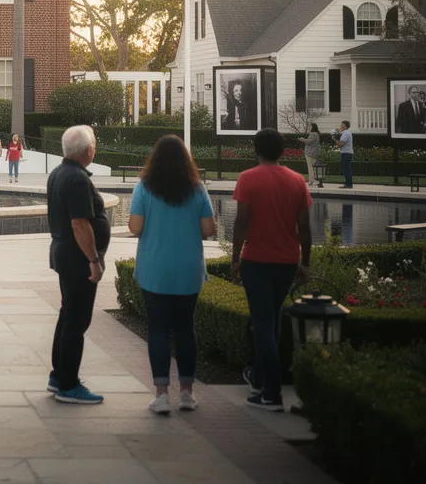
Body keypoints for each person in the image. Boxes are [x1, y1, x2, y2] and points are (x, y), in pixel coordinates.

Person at [128, 136, 217, 414]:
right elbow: (209, 230)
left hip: (154, 268)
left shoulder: (144, 188)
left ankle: (162, 394)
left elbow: (134, 227)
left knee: (157, 329)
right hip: (188, 270)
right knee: (185, 328)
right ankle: (188, 393)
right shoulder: (197, 188)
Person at [231, 128, 312, 412]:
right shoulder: (297, 181)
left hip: (257, 261)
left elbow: (241, 223)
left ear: (256, 149)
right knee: (273, 320)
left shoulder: (248, 178)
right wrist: (306, 263)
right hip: (287, 261)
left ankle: (272, 392)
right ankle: (262, 379)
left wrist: (235, 259)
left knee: (263, 324)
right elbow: (305, 228)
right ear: (282, 151)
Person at [46, 125, 109, 405]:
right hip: (76, 259)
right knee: (76, 320)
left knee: (68, 314)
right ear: (89, 150)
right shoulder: (77, 180)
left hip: (64, 255)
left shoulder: (59, 173)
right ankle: (68, 384)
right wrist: (94, 260)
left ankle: (59, 375)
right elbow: (80, 224)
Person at [335, 120, 354, 188]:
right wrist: (337, 136)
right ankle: (347, 183)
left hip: (346, 153)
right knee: (346, 169)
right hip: (346, 153)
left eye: (341, 125)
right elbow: (340, 144)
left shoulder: (346, 133)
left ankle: (349, 184)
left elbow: (340, 144)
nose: (340, 126)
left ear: (344, 126)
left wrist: (335, 137)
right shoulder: (345, 133)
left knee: (346, 169)